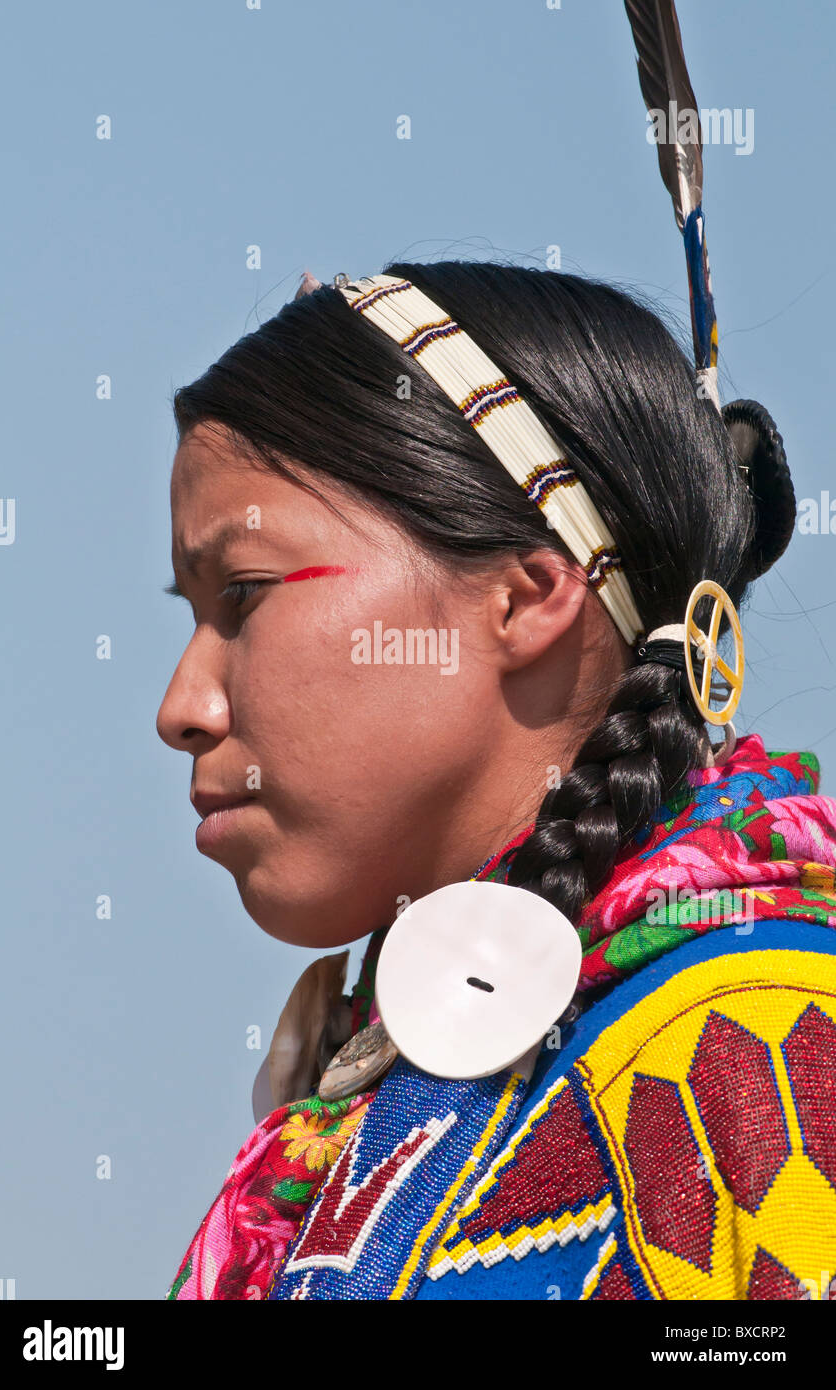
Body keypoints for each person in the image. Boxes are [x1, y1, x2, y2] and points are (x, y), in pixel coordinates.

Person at [158, 261, 836, 1300]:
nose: (181, 706)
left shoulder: (764, 1043)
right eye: (190, 614)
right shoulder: (353, 1123)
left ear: (522, 597)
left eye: (243, 599)